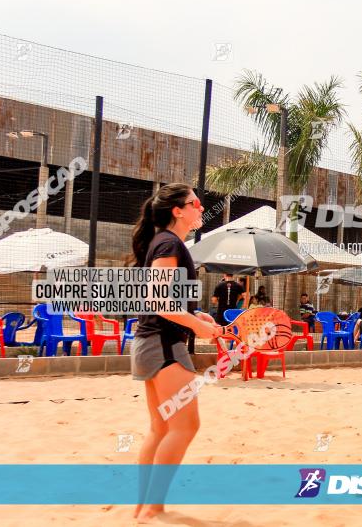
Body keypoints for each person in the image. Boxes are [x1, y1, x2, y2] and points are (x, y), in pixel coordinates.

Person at [129, 183, 220, 522]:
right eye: (196, 203)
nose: (201, 207)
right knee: (184, 427)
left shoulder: (164, 243)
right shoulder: (168, 242)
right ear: (178, 210)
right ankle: (151, 507)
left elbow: (163, 302)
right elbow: (158, 301)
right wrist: (196, 327)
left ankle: (146, 506)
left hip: (151, 342)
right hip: (163, 345)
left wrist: (196, 317)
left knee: (161, 428)